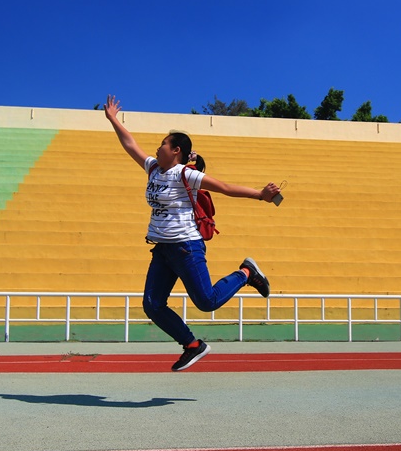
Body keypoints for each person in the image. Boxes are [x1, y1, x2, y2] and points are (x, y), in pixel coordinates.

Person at [104, 94, 280, 371]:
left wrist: (261, 195)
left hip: (186, 246)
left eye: (163, 143)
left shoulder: (184, 174)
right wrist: (113, 119)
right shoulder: (153, 168)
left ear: (176, 151)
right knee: (152, 304)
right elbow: (130, 145)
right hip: (162, 250)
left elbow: (224, 187)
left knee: (207, 302)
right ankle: (192, 345)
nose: (157, 147)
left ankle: (246, 273)